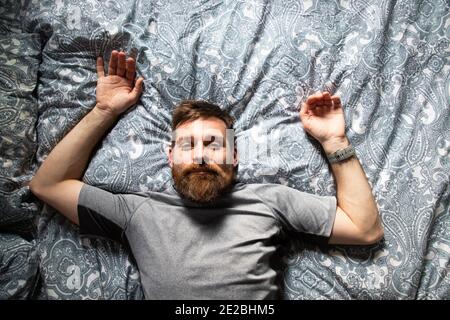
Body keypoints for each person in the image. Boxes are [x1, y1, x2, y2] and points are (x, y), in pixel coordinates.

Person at [29, 50, 384, 299]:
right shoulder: (137, 212)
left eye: (214, 144)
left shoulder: (270, 200)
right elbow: (48, 184)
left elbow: (364, 229)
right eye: (187, 145)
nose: (200, 155)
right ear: (169, 157)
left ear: (234, 155)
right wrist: (104, 110)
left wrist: (334, 140)